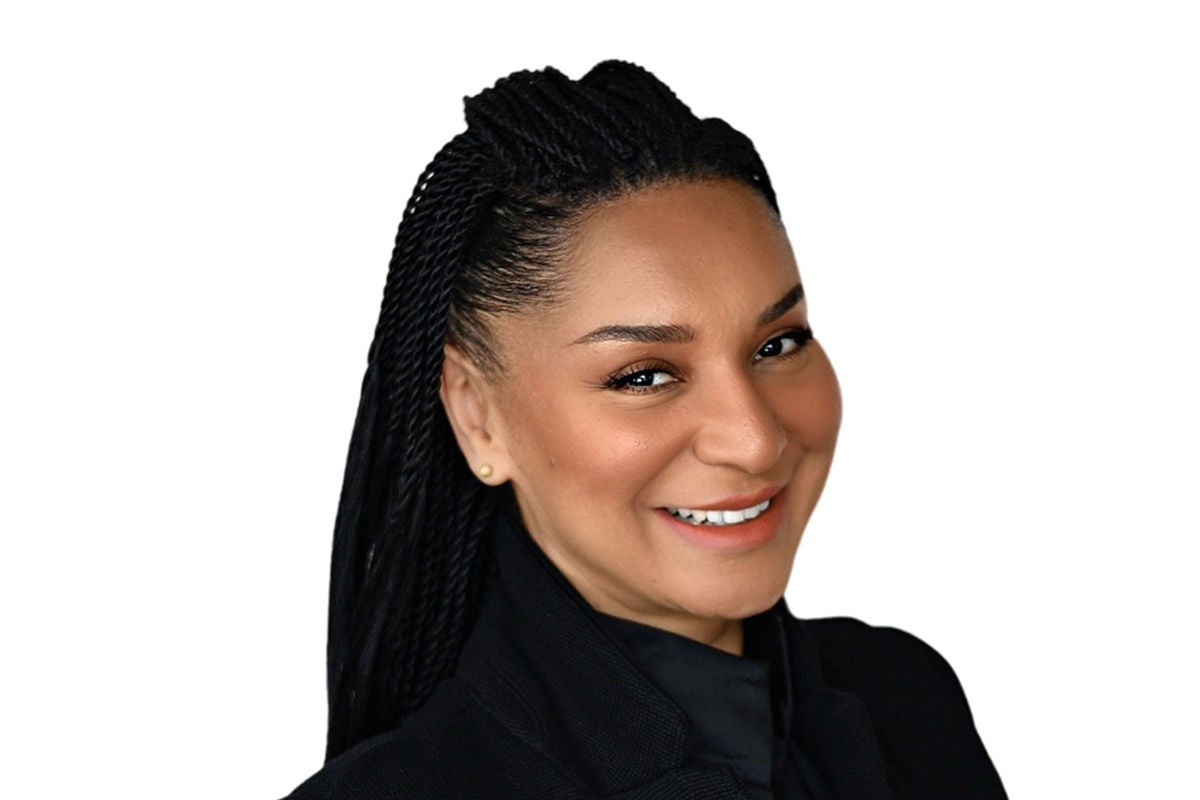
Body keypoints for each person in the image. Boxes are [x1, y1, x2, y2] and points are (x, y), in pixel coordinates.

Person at [282, 60, 1007, 799]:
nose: (753, 439)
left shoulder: (907, 700)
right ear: (478, 416)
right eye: (644, 377)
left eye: (777, 344)